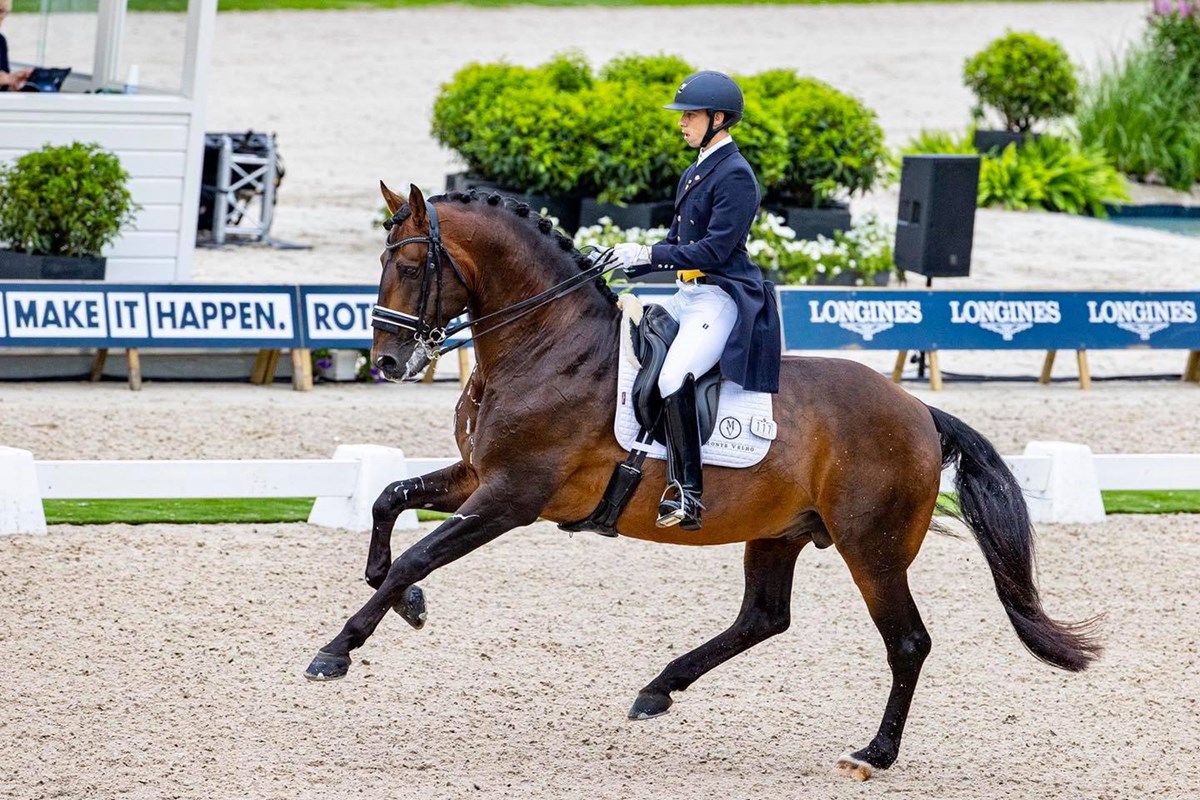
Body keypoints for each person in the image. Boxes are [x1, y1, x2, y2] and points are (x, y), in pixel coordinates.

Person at [612, 70, 782, 531]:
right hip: (687, 293)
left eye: (690, 115)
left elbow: (713, 250)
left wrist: (647, 253)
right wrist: (623, 260)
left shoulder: (736, 176)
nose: (681, 123)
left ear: (719, 118)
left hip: (720, 297)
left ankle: (687, 492)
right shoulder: (698, 168)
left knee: (672, 378)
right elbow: (676, 242)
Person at [0, 0, 33, 92]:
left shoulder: (1, 41)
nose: (2, 17)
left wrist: (13, 82)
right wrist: (6, 79)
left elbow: (4, 83)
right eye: (0, 11)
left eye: (4, 12)